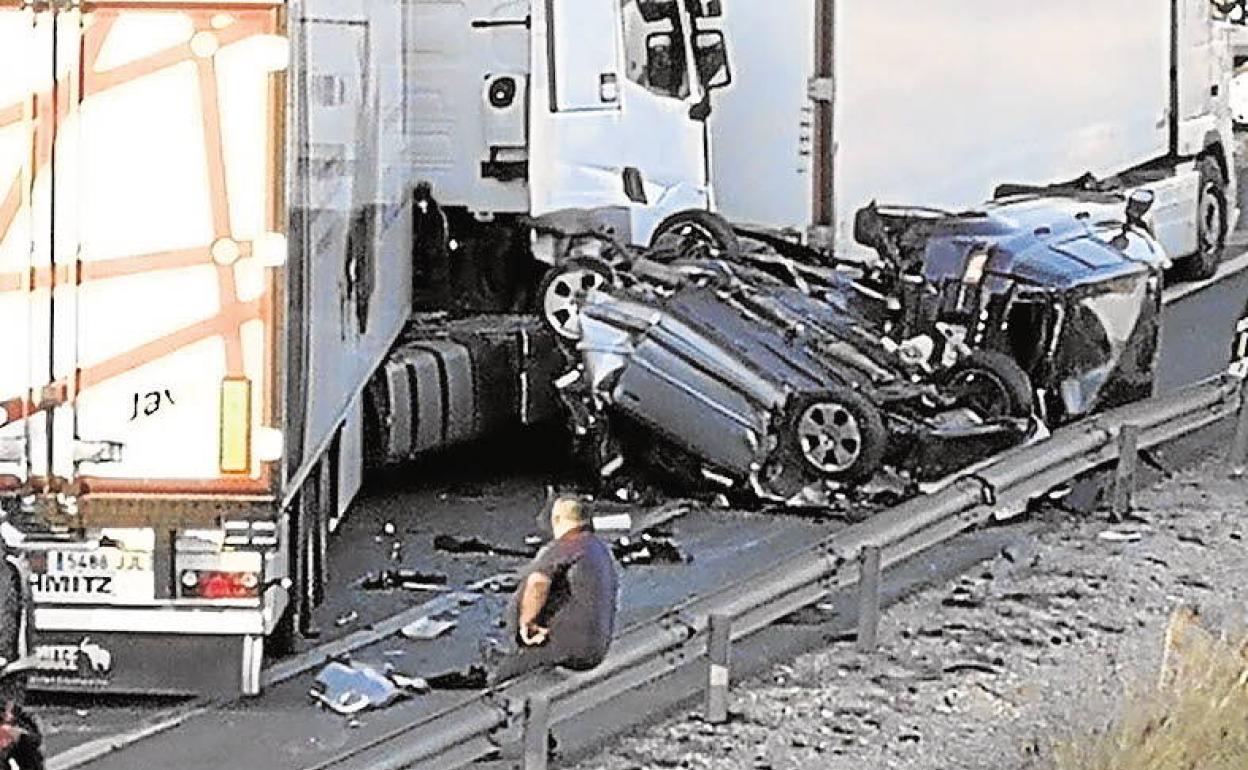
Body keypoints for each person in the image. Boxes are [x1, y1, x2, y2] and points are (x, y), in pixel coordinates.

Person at [485, 496, 620, 684]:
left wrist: (527, 623)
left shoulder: (570, 544)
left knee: (499, 678)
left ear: (556, 519)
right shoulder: (598, 548)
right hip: (595, 648)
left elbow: (538, 582)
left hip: (563, 648)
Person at [0, 522, 43, 770]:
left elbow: (14, 617)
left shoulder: (10, 569)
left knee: (14, 731)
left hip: (10, 665)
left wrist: (7, 657)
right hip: (11, 663)